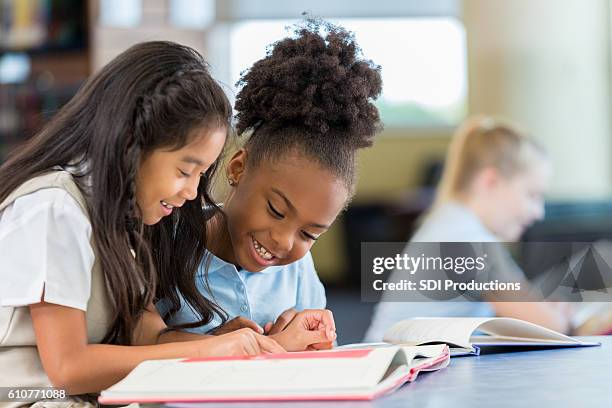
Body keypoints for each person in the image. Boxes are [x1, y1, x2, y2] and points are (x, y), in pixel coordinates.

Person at [0, 41, 331, 407]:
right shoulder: (55, 208)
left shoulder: (122, 220)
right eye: (185, 171)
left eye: (201, 175)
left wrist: (236, 345)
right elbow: (68, 367)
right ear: (132, 143)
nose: (192, 192)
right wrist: (213, 350)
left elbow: (150, 340)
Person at [160, 19, 383, 350]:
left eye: (309, 234)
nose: (283, 241)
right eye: (277, 210)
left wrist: (314, 346)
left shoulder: (298, 270)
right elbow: (140, 343)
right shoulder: (167, 240)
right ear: (238, 168)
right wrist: (215, 345)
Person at [365, 116, 573, 342]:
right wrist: (562, 315)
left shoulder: (451, 222)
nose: (538, 212)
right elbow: (550, 328)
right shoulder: (467, 239)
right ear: (491, 182)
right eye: (532, 195)